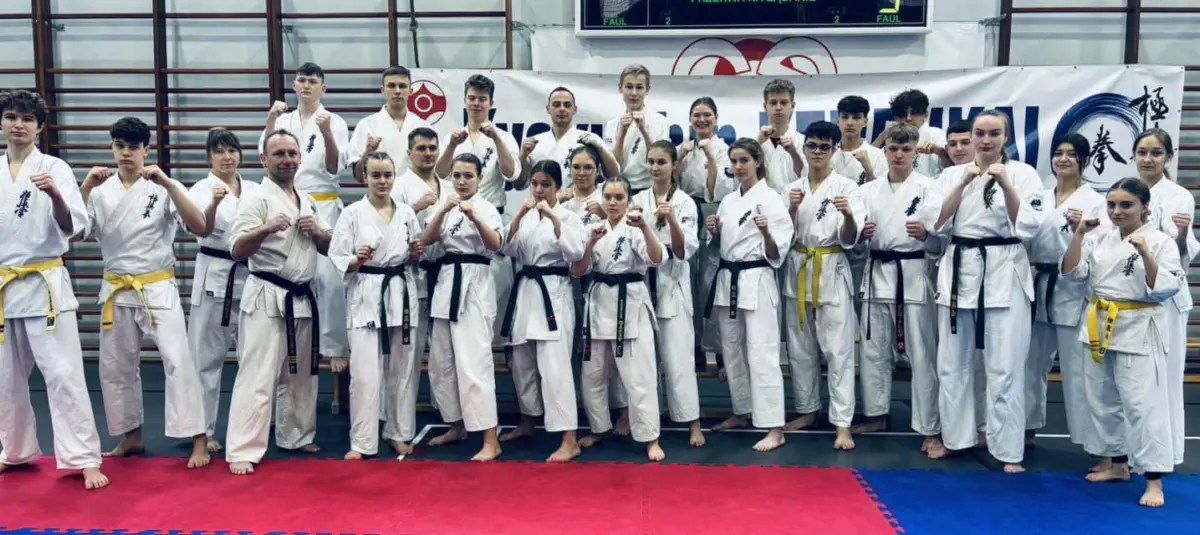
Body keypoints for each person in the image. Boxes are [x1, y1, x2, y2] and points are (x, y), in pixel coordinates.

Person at [80, 117, 209, 468]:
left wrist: (169, 183)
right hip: (117, 289)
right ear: (112, 147)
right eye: (119, 146)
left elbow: (199, 225)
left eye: (133, 147)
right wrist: (85, 187)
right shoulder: (100, 191)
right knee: (116, 366)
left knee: (178, 361)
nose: (126, 153)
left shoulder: (161, 187)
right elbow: (75, 231)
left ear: (146, 150)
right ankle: (131, 434)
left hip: (157, 286)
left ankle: (198, 437)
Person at [0, 89, 109, 489]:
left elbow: (72, 227)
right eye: (12, 117)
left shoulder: (54, 168)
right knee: (4, 378)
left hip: (44, 284)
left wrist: (55, 194)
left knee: (63, 374)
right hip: (3, 286)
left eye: (27, 119)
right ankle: (14, 451)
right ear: (2, 123)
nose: (19, 125)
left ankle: (84, 458)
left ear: (40, 128)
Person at [932, 110, 1047, 473]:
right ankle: (956, 438)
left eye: (994, 133)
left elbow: (1029, 225)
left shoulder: (1023, 174)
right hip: (960, 269)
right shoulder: (951, 175)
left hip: (1005, 269)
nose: (985, 140)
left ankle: (1008, 449)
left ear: (1005, 138)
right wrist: (962, 183)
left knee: (1005, 366)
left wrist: (1006, 185)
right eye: (979, 133)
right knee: (952, 363)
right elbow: (934, 223)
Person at [1061, 177, 1180, 508]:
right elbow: (1072, 273)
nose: (1116, 211)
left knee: (1143, 406)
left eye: (1126, 205)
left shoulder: (1160, 241)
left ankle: (1154, 480)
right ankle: (1117, 464)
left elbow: (1166, 288)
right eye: (1111, 204)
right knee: (1102, 400)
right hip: (1099, 322)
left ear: (1145, 207)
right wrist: (1078, 235)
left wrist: (1144, 253)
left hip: (1138, 326)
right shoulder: (1099, 236)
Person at [225, 130, 332, 475]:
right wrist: (266, 228)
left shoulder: (307, 199)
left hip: (301, 296)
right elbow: (237, 249)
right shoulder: (256, 198)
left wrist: (319, 233)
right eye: (279, 154)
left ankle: (296, 435)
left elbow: (329, 248)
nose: (287, 160)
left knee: (300, 374)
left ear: (301, 158)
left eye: (292, 153)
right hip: (266, 295)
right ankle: (243, 449)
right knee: (257, 374)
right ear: (264, 159)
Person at [852, 124, 945, 457]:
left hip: (913, 274)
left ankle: (930, 426)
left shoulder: (930, 188)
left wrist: (927, 237)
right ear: (885, 151)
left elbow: (941, 241)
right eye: (893, 149)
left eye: (906, 149)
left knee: (921, 354)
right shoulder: (868, 190)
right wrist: (861, 234)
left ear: (916, 151)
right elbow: (853, 239)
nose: (899, 155)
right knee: (873, 350)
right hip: (877, 273)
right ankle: (876, 414)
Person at [329, 152, 424, 460]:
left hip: (401, 292)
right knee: (365, 374)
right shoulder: (352, 214)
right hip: (367, 293)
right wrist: (355, 259)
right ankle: (362, 441)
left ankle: (398, 433)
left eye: (387, 175)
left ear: (394, 176)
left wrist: (417, 253)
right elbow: (337, 255)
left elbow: (415, 256)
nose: (382, 181)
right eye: (376, 175)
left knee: (402, 371)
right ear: (365, 178)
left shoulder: (406, 212)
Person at [778, 121, 863, 450]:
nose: (817, 152)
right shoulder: (791, 188)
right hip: (799, 267)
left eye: (824, 147)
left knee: (838, 351)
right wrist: (791, 208)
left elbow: (850, 238)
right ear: (804, 148)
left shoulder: (847, 188)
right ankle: (808, 411)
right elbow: (782, 237)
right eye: (812, 146)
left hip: (831, 267)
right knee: (800, 349)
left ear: (835, 150)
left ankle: (842, 425)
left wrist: (850, 216)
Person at [704, 138, 793, 452]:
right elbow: (722, 246)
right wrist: (715, 232)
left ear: (758, 161)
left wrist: (767, 232)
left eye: (744, 160)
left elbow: (777, 253)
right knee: (731, 351)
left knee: (762, 353)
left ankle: (775, 427)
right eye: (734, 161)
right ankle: (741, 411)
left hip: (757, 278)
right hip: (728, 279)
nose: (739, 166)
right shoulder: (729, 201)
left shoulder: (771, 199)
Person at [262, 62, 351, 370]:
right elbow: (266, 155)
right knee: (289, 271)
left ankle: (335, 346)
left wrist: (325, 132)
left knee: (330, 277)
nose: (306, 85)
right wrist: (270, 120)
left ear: (322, 88)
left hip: (322, 203)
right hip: (287, 199)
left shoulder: (334, 121)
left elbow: (334, 167)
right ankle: (290, 339)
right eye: (301, 80)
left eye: (313, 81)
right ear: (294, 85)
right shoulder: (283, 119)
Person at [573, 176, 668, 461]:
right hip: (599, 303)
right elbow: (578, 270)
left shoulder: (637, 227)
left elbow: (657, 259)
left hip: (630, 304)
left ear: (629, 201)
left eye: (619, 198)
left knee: (639, 376)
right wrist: (590, 243)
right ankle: (599, 428)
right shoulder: (593, 228)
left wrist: (646, 228)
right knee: (592, 375)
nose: (613, 203)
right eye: (608, 197)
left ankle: (650, 437)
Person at [498, 160, 587, 462]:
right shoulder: (525, 216)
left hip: (553, 292)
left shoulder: (569, 216)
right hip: (525, 292)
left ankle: (569, 439)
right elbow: (506, 249)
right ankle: (528, 421)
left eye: (545, 184)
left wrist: (554, 219)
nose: (538, 190)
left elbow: (576, 253)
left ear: (558, 187)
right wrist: (518, 216)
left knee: (555, 368)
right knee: (521, 362)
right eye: (534, 184)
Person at [1023, 133, 1104, 452]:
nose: (1064, 159)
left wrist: (1078, 231)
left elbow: (1100, 248)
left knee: (1077, 369)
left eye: (1071, 154)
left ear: (1084, 160)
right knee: (1030, 364)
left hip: (1073, 287)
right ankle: (1026, 427)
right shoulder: (1039, 198)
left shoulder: (1095, 201)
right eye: (1058, 153)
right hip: (1037, 284)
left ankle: (1090, 440)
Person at [422, 153, 504, 462]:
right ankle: (456, 425)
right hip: (446, 283)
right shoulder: (446, 206)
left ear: (480, 179)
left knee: (474, 364)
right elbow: (427, 240)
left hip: (475, 285)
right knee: (441, 363)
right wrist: (443, 210)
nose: (461, 181)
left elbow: (496, 245)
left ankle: (490, 439)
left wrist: (475, 218)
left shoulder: (486, 208)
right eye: (456, 175)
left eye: (468, 175)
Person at [434, 74, 521, 355]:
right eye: (472, 98)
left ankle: (495, 354)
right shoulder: (453, 137)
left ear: (491, 103)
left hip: (490, 219)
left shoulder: (503, 137)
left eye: (482, 99)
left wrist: (496, 138)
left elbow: (512, 174)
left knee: (496, 291)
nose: (476, 103)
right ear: (464, 100)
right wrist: (450, 145)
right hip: (456, 220)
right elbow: (440, 173)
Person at [186, 128, 260, 453]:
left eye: (232, 150)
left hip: (253, 278)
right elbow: (199, 228)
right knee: (206, 360)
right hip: (215, 279)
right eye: (219, 151)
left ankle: (251, 428)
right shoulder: (200, 190)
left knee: (254, 359)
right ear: (209, 158)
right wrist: (214, 204)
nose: (227, 157)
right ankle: (202, 432)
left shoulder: (255, 189)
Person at [1131, 128, 1197, 466]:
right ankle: (1131, 452)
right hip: (1131, 294)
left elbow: (1180, 252)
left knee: (1166, 377)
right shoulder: (1127, 191)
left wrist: (1183, 233)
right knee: (1134, 381)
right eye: (1142, 152)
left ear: (1168, 157)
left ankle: (1167, 454)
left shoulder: (1179, 195)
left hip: (1167, 297)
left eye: (1156, 153)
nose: (1148, 159)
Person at [633, 141, 704, 446]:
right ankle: (646, 419)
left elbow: (683, 250)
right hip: (641, 284)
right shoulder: (637, 199)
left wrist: (672, 218)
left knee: (678, 359)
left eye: (661, 162)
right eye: (651, 161)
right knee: (642, 362)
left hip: (672, 284)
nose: (655, 167)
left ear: (674, 165)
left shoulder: (685, 203)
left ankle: (693, 423)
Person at [559, 145, 632, 435]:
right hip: (569, 282)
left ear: (598, 170)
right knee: (584, 355)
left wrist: (604, 212)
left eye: (588, 167)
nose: (581, 173)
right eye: (576, 167)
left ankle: (624, 412)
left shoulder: (608, 198)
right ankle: (589, 417)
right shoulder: (563, 203)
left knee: (617, 350)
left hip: (605, 282)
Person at [676, 97, 731, 372]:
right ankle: (694, 348)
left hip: (712, 212)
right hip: (686, 211)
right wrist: (680, 158)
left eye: (707, 115)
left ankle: (719, 352)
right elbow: (671, 182)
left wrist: (710, 156)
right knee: (687, 284)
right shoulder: (684, 149)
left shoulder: (723, 150)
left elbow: (717, 190)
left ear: (716, 119)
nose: (702, 120)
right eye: (696, 115)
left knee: (711, 284)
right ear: (690, 120)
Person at [520, 87, 619, 188]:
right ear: (548, 109)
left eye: (567, 105)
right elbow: (520, 185)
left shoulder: (590, 139)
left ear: (574, 110)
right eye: (556, 105)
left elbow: (614, 176)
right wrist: (523, 157)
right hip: (543, 197)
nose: (562, 109)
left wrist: (600, 149)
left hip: (580, 197)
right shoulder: (536, 142)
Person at [349, 66, 431, 181]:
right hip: (380, 189)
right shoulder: (367, 125)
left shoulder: (423, 126)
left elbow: (433, 170)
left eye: (402, 86)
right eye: (391, 86)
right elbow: (358, 176)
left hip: (415, 190)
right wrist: (368, 152)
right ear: (383, 90)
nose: (397, 91)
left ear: (410, 91)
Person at [604, 64, 670, 195]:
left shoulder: (660, 121)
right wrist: (622, 134)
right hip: (621, 188)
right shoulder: (612, 124)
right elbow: (613, 168)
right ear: (620, 88)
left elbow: (660, 160)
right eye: (629, 87)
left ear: (647, 90)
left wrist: (644, 130)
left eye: (639, 87)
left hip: (651, 188)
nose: (634, 93)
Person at [875, 89, 950, 178]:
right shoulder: (890, 139)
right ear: (896, 118)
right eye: (903, 114)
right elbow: (870, 164)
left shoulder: (937, 135)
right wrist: (881, 137)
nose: (908, 118)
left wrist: (940, 152)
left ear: (925, 115)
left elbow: (955, 170)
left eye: (914, 113)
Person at [757, 79, 806, 195]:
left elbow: (808, 178)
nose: (778, 107)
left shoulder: (803, 142)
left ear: (792, 106)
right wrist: (757, 145)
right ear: (765, 106)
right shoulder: (755, 143)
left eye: (784, 103)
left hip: (794, 203)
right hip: (762, 203)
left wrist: (794, 153)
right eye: (773, 103)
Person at [832, 95, 887, 186]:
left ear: (865, 122)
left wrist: (868, 170)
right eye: (845, 117)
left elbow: (881, 191)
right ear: (838, 121)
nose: (850, 123)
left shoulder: (877, 156)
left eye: (856, 118)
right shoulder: (828, 155)